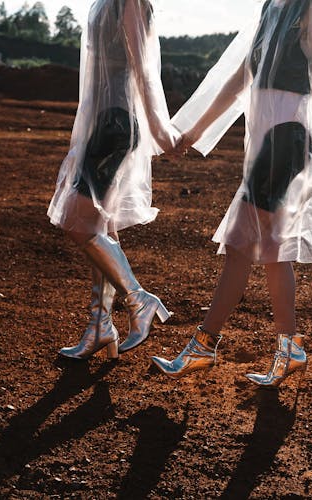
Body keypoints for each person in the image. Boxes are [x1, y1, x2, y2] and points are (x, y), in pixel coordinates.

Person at [151, 0, 312, 386]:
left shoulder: (311, 6)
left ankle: (210, 346)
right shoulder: (272, 7)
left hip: (287, 137)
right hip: (269, 142)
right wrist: (192, 133)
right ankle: (284, 349)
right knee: (260, 245)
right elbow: (240, 78)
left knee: (250, 244)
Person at [48, 0, 180, 360]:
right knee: (99, 226)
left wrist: (161, 131)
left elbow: (144, 66)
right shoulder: (104, 2)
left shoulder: (129, 1)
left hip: (116, 122)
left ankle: (139, 299)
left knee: (78, 222)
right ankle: (100, 326)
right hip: (104, 121)